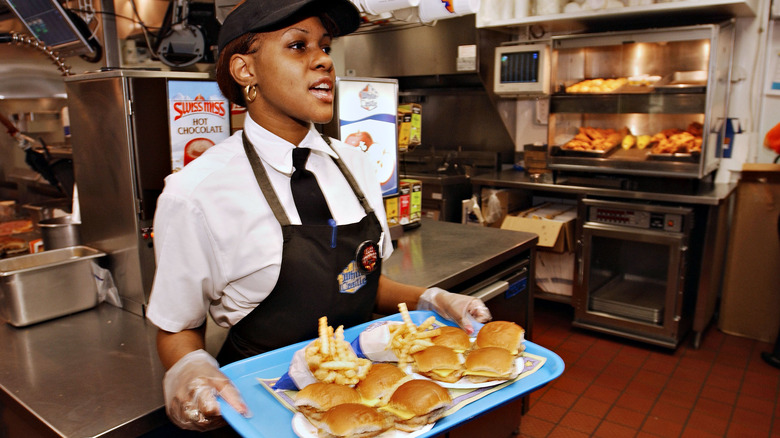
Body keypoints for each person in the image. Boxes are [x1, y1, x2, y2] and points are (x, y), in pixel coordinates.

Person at [145, 0, 492, 432]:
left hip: (365, 391)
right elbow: (177, 326)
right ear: (244, 70)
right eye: (297, 46)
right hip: (264, 403)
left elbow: (358, 280)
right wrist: (189, 368)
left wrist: (432, 299)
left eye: (325, 47)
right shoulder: (196, 192)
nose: (324, 59)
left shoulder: (356, 166)